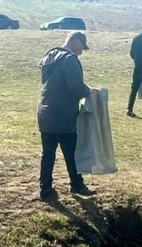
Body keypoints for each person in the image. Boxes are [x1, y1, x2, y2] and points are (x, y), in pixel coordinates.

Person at [37, 31, 95, 201]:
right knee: (71, 152)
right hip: (63, 114)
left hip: (45, 112)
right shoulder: (69, 59)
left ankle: (45, 189)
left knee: (48, 153)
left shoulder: (50, 56)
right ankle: (77, 184)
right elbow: (76, 87)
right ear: (74, 41)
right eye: (81, 47)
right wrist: (90, 92)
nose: (81, 51)